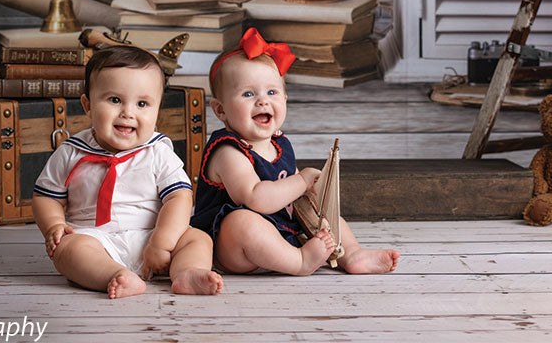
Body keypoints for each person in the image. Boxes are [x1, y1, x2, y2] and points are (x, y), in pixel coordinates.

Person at [191, 27, 401, 276]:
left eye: (272, 92)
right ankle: (299, 261)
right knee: (242, 223)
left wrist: (311, 193)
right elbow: (256, 198)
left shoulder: (281, 145)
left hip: (282, 230)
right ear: (220, 110)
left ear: (285, 99)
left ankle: (351, 253)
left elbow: (293, 193)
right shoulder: (228, 150)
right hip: (232, 249)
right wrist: (300, 180)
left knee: (323, 213)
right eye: (248, 94)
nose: (263, 101)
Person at [32, 45, 224, 299]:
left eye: (142, 103)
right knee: (69, 250)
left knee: (198, 239)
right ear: (87, 105)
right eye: (114, 100)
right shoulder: (71, 152)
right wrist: (54, 226)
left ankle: (187, 272)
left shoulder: (158, 152)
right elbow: (46, 197)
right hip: (96, 240)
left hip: (153, 235)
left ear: (157, 110)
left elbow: (179, 198)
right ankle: (113, 275)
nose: (128, 112)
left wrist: (162, 244)